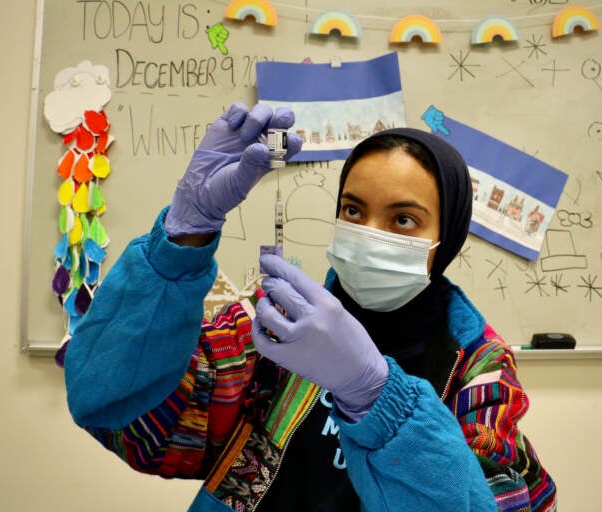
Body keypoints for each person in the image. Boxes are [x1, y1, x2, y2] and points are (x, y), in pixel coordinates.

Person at [64, 103, 557, 512]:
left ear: (445, 238)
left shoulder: (477, 367)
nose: (370, 235)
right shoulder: (278, 325)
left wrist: (375, 395)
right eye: (353, 210)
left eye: (404, 219)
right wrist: (180, 240)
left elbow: (495, 500)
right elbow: (115, 408)